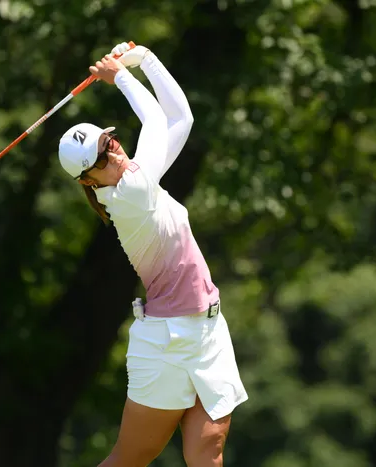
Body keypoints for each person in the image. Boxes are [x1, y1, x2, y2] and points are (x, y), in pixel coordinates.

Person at [57, 42, 248, 467]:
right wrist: (121, 76)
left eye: (110, 141)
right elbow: (157, 119)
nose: (114, 152)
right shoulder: (128, 194)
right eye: (101, 157)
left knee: (208, 453)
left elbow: (181, 119)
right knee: (129, 459)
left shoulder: (138, 176)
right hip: (165, 342)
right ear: (88, 180)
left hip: (209, 332)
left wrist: (146, 58)